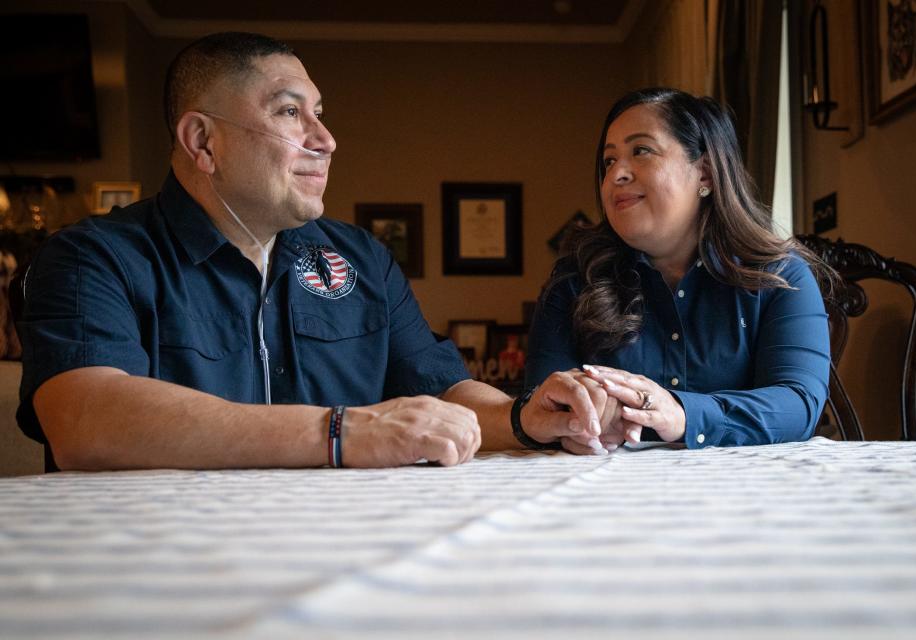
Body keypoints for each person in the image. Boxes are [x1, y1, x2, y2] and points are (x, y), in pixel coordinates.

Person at [16, 32, 611, 471]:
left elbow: (443, 390)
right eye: (288, 112)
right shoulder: (91, 258)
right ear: (203, 141)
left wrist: (523, 418)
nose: (324, 140)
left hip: (337, 556)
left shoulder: (362, 259)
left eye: (318, 116)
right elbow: (84, 419)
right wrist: (341, 432)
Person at [526, 88, 834, 452]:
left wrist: (683, 415)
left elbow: (798, 403)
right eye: (608, 162)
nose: (616, 175)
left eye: (641, 151)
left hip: (749, 497)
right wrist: (576, 415)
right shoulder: (574, 283)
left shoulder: (782, 278)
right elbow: (540, 404)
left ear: (704, 173)